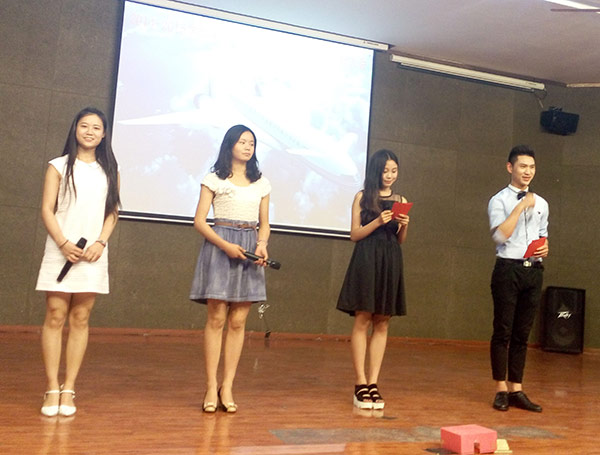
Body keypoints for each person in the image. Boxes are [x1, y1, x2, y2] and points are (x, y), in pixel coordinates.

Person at [36, 107, 120, 417]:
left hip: (93, 253)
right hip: (60, 249)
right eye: (84, 126)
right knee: (55, 314)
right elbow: (47, 209)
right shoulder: (58, 166)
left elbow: (113, 211)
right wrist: (62, 242)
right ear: (75, 129)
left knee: (81, 317)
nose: (89, 132)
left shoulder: (110, 170)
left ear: (104, 134)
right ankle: (51, 387)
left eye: (96, 127)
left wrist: (100, 242)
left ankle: (69, 387)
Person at [189, 125, 271, 414]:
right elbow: (200, 221)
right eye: (242, 142)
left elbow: (264, 224)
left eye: (252, 143)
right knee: (216, 318)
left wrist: (262, 244)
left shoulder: (261, 183)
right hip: (220, 244)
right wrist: (225, 246)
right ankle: (211, 385)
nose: (248, 147)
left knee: (238, 321)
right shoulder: (214, 179)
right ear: (230, 145)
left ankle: (228, 386)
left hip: (249, 247)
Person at [336, 149, 410, 410]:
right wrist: (378, 221)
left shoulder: (401, 199)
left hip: (390, 258)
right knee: (363, 318)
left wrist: (404, 224)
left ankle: (374, 383)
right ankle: (360, 382)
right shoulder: (362, 197)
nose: (389, 176)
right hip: (367, 257)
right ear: (375, 171)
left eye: (394, 171)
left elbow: (400, 240)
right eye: (385, 171)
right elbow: (354, 235)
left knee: (383, 321)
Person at [488, 145, 548, 413]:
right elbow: (499, 236)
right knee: (503, 330)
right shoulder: (499, 200)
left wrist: (545, 247)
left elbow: (542, 234)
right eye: (523, 166)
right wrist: (520, 207)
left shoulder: (542, 203)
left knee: (522, 333)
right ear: (510, 167)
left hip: (533, 270)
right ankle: (500, 389)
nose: (528, 172)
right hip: (507, 269)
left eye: (532, 167)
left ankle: (516, 388)